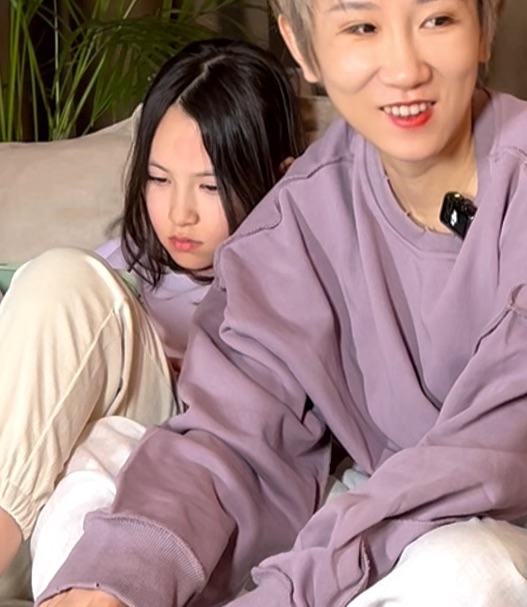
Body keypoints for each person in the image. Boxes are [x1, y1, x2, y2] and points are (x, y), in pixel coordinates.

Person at [37, 0, 527, 605]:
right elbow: (234, 435)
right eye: (362, 27)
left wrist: (293, 589)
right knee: (113, 480)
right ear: (302, 46)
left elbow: (496, 449)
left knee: (463, 574)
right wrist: (113, 581)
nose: (405, 69)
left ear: (485, 25)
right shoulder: (299, 214)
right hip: (384, 505)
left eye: (437, 19)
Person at [0, 38, 304, 600]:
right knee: (59, 277)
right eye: (159, 180)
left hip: (187, 462)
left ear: (280, 178)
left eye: (210, 186)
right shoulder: (115, 265)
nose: (178, 213)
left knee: (68, 281)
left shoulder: (298, 281)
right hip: (47, 490)